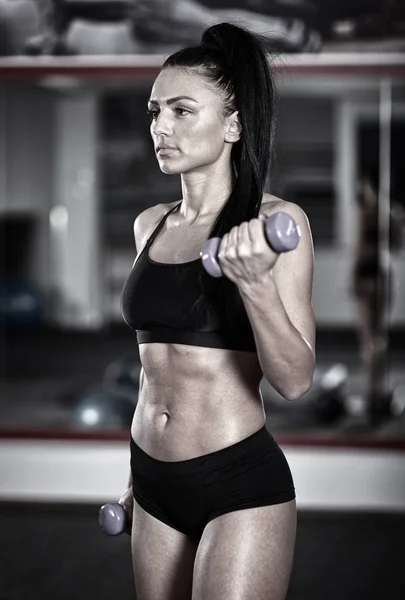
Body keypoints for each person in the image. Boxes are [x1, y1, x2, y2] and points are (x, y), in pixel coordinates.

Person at [119, 21, 315, 600]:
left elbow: (296, 381)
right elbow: (155, 370)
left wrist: (254, 284)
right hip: (152, 478)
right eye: (155, 112)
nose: (161, 127)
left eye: (182, 111)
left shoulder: (278, 226)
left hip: (235, 481)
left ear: (233, 124)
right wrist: (136, 473)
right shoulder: (149, 225)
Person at [350, 171, 404, 421]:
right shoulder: (389, 212)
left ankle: (375, 390)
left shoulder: (376, 213)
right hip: (380, 276)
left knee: (370, 338)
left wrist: (354, 279)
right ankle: (375, 388)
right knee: (375, 337)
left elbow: (362, 249)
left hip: (372, 275)